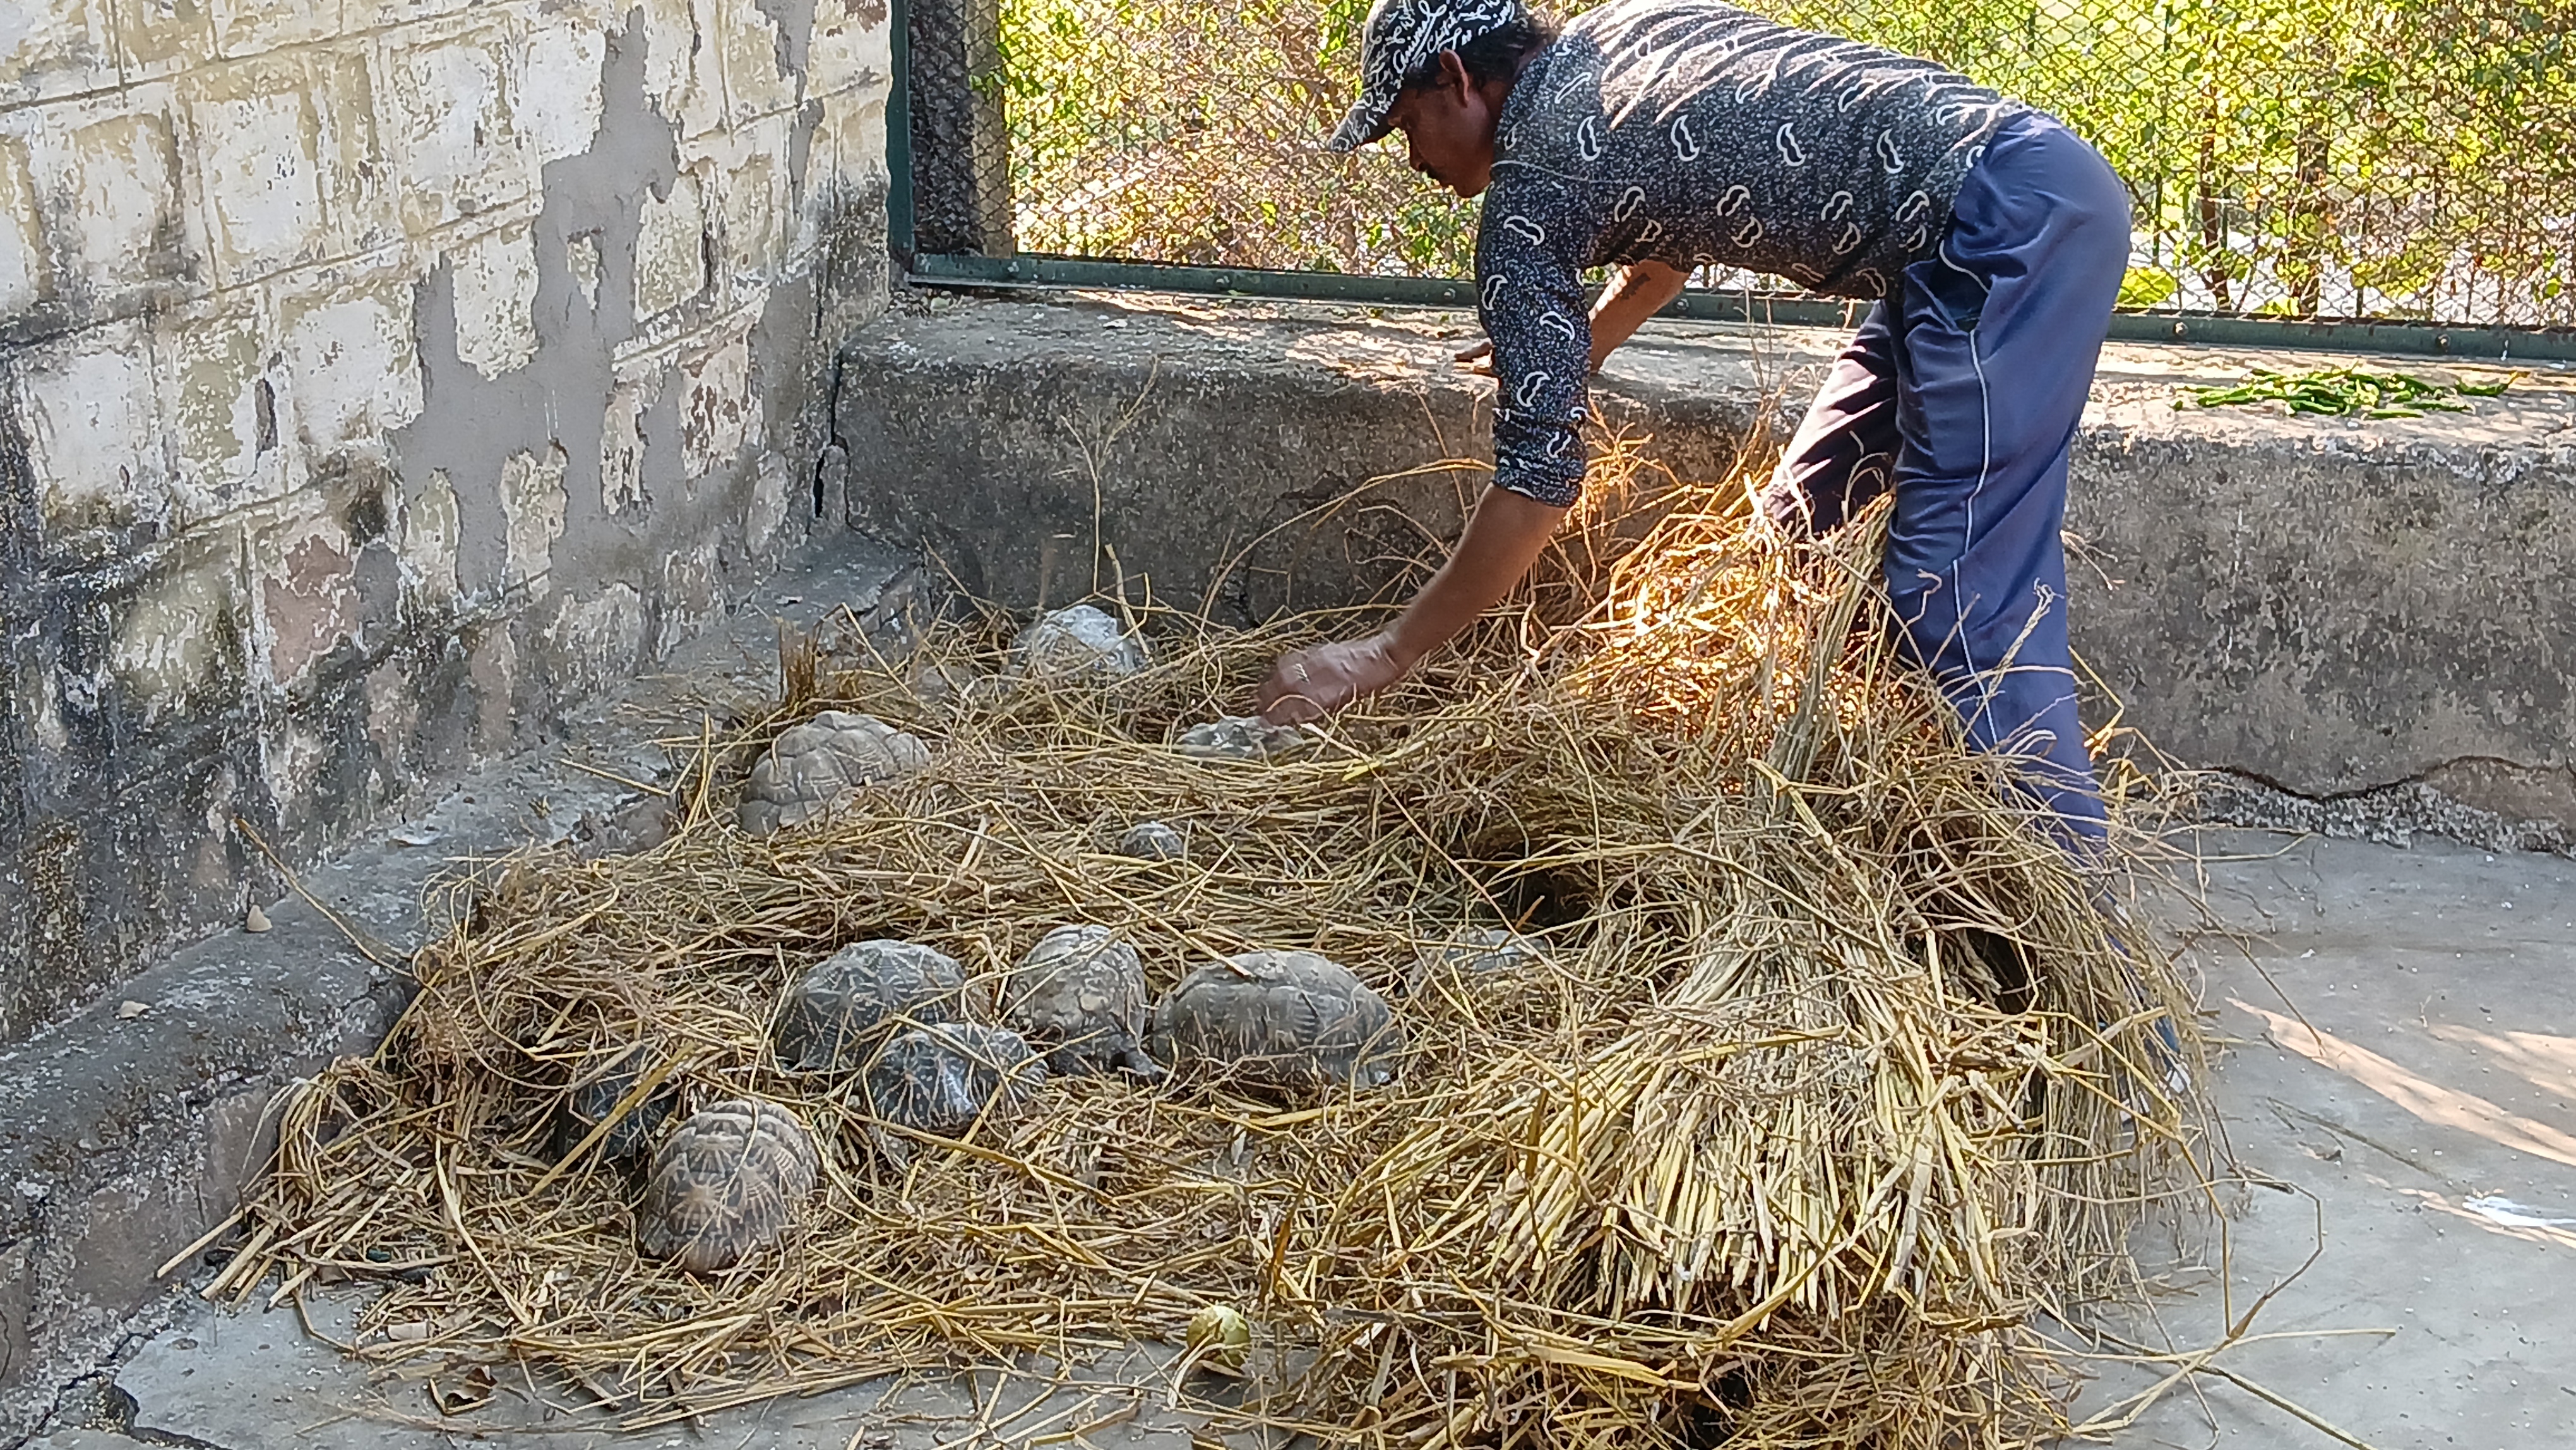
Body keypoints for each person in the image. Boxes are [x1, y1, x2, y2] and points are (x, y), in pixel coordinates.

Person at [1253, 0, 2135, 845]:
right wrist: (1580, 344)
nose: (1413, 161)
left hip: (2000, 232)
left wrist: (1385, 656)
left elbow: (1538, 483)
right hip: (2005, 193)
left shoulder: (1529, 192)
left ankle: (2086, 952)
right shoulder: (1612, 39)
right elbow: (1678, 212)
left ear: (1456, 78)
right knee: (1805, 535)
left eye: (1406, 126)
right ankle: (1868, 797)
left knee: (1957, 596)